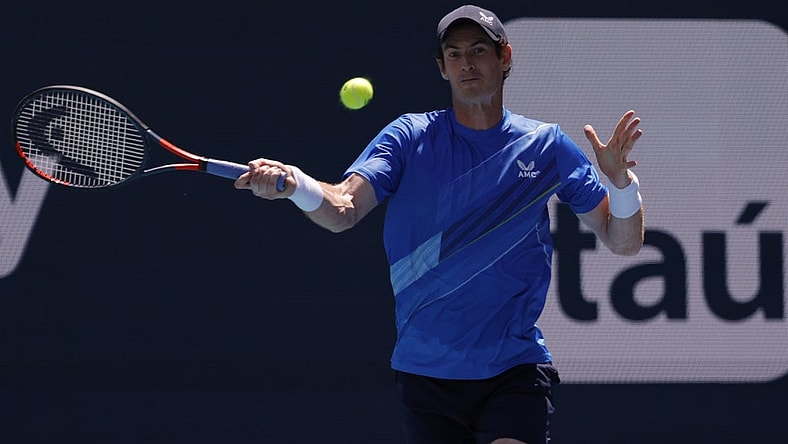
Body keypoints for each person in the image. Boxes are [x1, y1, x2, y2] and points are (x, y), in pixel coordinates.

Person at [235, 4, 644, 443]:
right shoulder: (408, 138)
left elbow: (624, 242)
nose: (466, 63)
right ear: (442, 68)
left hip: (515, 367)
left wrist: (621, 184)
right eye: (453, 54)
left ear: (505, 57)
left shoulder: (546, 147)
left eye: (478, 50)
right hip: (426, 376)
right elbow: (342, 209)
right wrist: (296, 184)